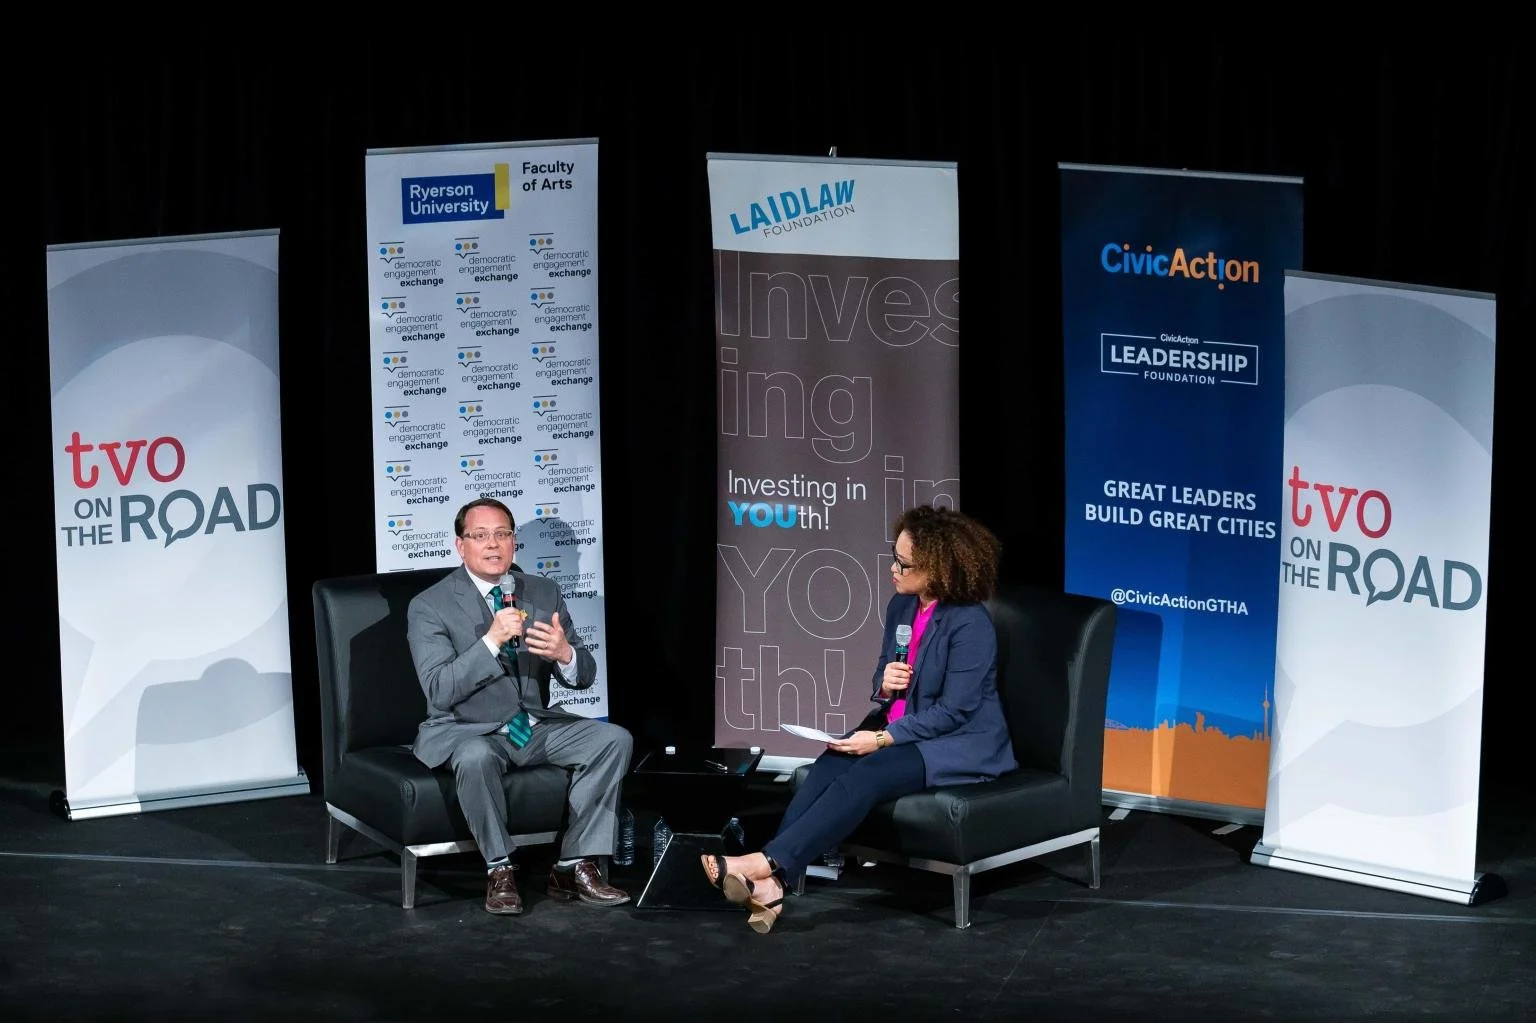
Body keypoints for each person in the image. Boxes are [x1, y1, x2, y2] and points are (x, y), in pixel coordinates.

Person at [699, 505, 1014, 933]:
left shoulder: (969, 623)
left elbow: (954, 712)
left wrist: (882, 740)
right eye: (894, 556)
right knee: (829, 763)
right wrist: (884, 685)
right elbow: (884, 680)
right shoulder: (901, 608)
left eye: (904, 564)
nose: (894, 569)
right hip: (899, 724)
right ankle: (772, 887)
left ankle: (765, 863)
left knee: (867, 774)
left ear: (938, 568)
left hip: (956, 741)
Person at [407, 497, 633, 915]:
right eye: (480, 536)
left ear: (514, 543)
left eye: (503, 535)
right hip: (467, 729)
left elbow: (583, 673)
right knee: (475, 757)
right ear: (461, 546)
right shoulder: (429, 605)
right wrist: (491, 640)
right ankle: (500, 868)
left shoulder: (542, 591)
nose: (493, 545)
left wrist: (565, 653)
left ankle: (573, 864)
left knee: (613, 739)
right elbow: (438, 690)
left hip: (532, 725)